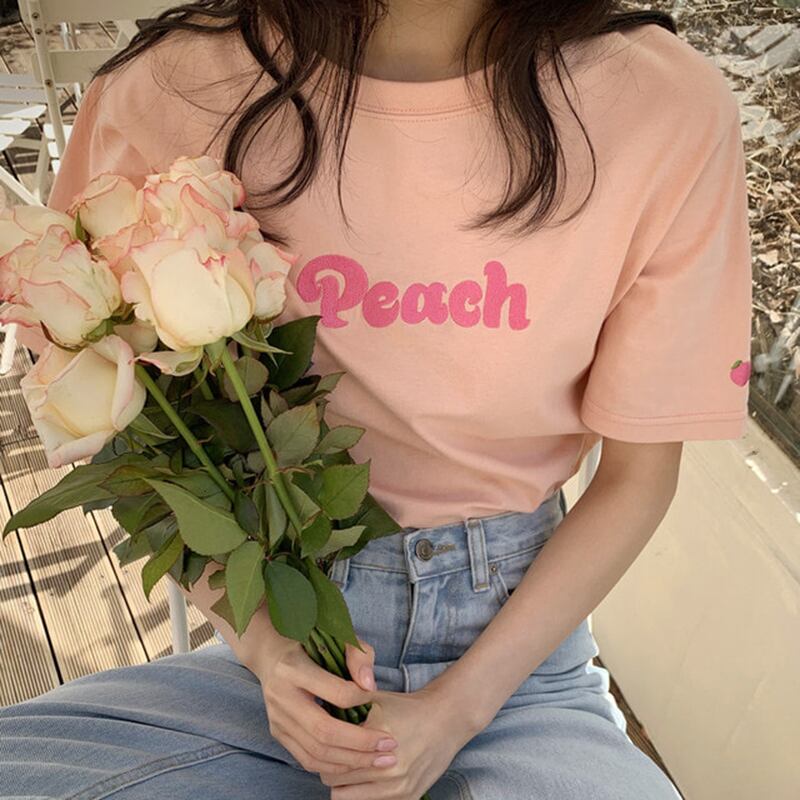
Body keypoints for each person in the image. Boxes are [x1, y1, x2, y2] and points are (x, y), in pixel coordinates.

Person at [0, 1, 752, 798]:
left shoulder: (663, 107)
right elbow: (125, 424)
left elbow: (637, 476)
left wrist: (454, 712)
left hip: (518, 675)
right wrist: (268, 649)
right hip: (269, 659)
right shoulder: (168, 85)